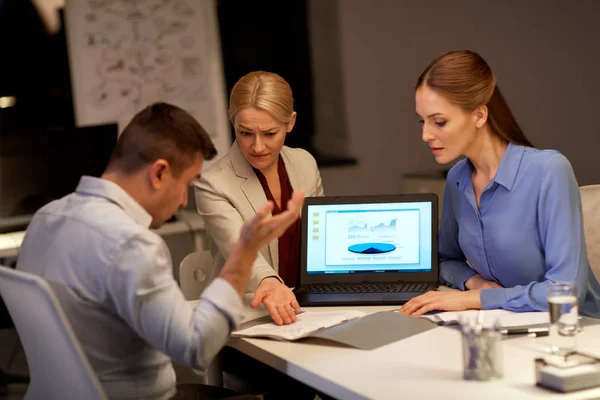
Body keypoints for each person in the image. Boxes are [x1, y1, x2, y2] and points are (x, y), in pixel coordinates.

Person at [16, 103, 305, 399]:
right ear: (159, 173)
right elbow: (196, 347)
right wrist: (244, 252)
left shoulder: (45, 218)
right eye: (187, 184)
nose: (183, 201)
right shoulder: (130, 244)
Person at [401, 50, 600, 317]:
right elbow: (445, 260)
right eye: (422, 121)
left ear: (480, 115)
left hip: (574, 334)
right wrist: (475, 283)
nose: (426, 134)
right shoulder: (457, 179)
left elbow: (566, 292)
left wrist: (480, 298)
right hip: (503, 325)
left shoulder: (549, 171)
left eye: (439, 122)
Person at [195, 71, 324, 325]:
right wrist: (270, 284)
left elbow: (319, 242)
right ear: (233, 123)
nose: (257, 146)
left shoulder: (305, 163)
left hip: (307, 310)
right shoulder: (213, 183)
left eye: (269, 133)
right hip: (248, 315)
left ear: (291, 123)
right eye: (245, 133)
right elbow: (240, 249)